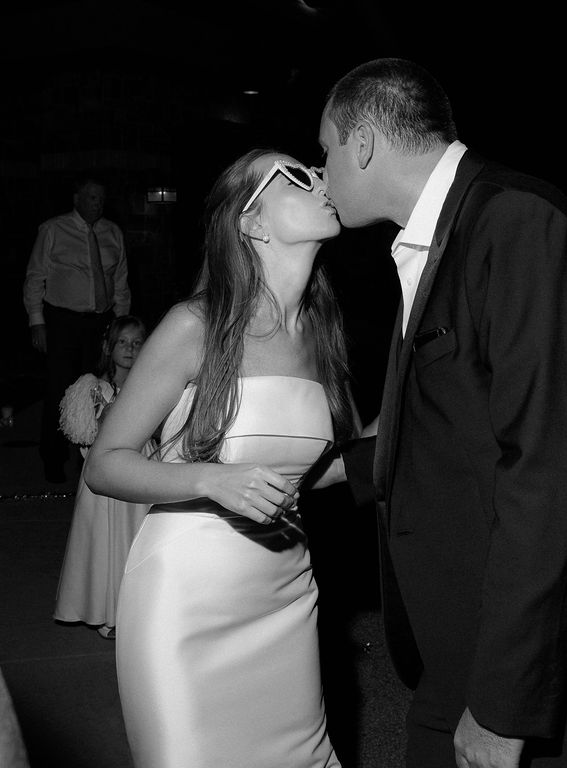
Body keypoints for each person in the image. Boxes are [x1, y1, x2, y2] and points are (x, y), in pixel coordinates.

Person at [322, 58, 567, 768]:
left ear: (362, 145)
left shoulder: (516, 224)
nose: (321, 168)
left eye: (324, 148)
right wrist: (328, 472)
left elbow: (555, 474)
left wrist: (504, 708)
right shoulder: (442, 235)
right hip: (469, 642)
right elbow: (455, 431)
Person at [85, 149, 356, 768]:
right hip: (189, 603)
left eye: (316, 170)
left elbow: (318, 469)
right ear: (251, 222)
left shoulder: (319, 331)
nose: (319, 179)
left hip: (287, 595)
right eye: (294, 176)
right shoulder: (194, 325)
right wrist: (212, 478)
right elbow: (105, 463)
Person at [23, 175, 131, 483]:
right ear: (77, 199)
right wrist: (37, 320)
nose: (98, 203)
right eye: (92, 197)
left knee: (101, 390)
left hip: (101, 321)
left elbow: (120, 281)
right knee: (60, 388)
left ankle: (93, 458)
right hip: (63, 321)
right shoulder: (53, 229)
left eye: (101, 198)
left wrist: (121, 323)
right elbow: (35, 277)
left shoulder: (113, 232)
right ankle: (54, 458)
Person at [54, 315, 151, 639]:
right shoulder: (93, 387)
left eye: (137, 343)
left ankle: (134, 611)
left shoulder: (151, 384)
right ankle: (105, 611)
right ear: (109, 347)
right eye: (123, 342)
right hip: (104, 476)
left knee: (135, 541)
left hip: (140, 469)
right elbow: (83, 435)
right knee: (104, 542)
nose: (130, 349)